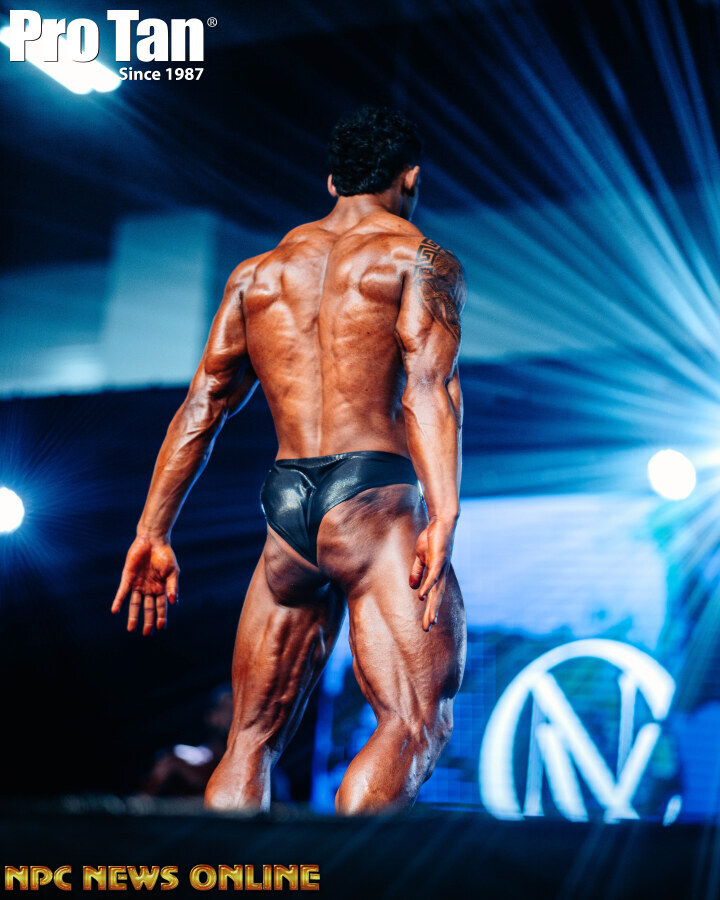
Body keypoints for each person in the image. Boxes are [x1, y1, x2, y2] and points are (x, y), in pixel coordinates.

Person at [112, 106, 467, 814]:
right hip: (372, 499)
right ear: (411, 178)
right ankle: (348, 870)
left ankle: (232, 872)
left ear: (332, 181)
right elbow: (427, 390)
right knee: (414, 722)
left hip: (286, 506)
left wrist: (152, 531)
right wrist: (444, 510)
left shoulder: (257, 275)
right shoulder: (422, 259)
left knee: (248, 740)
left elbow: (203, 405)